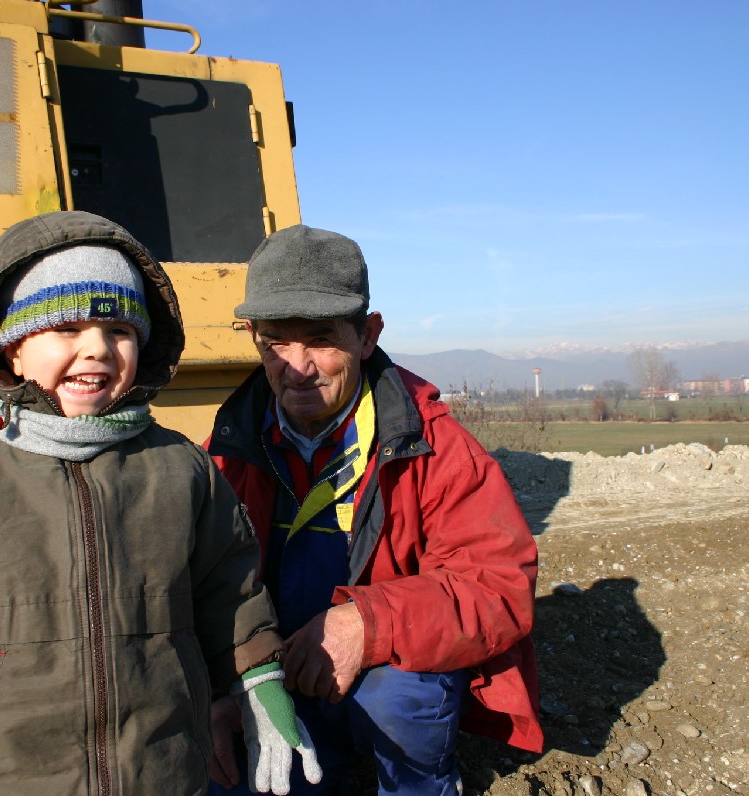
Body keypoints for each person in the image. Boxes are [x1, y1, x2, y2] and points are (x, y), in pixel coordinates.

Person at [0, 211, 320, 796]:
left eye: (120, 331)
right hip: (4, 774)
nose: (97, 350)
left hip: (160, 769)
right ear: (12, 350)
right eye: (66, 329)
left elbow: (228, 591)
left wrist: (259, 681)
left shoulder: (180, 468)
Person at [205, 225, 543, 795]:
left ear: (368, 336)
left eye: (320, 340)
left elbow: (498, 586)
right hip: (278, 678)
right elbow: (202, 587)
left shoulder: (433, 446)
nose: (297, 366)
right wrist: (219, 689)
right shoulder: (228, 449)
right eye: (275, 342)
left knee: (401, 698)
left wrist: (367, 623)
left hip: (377, 675)